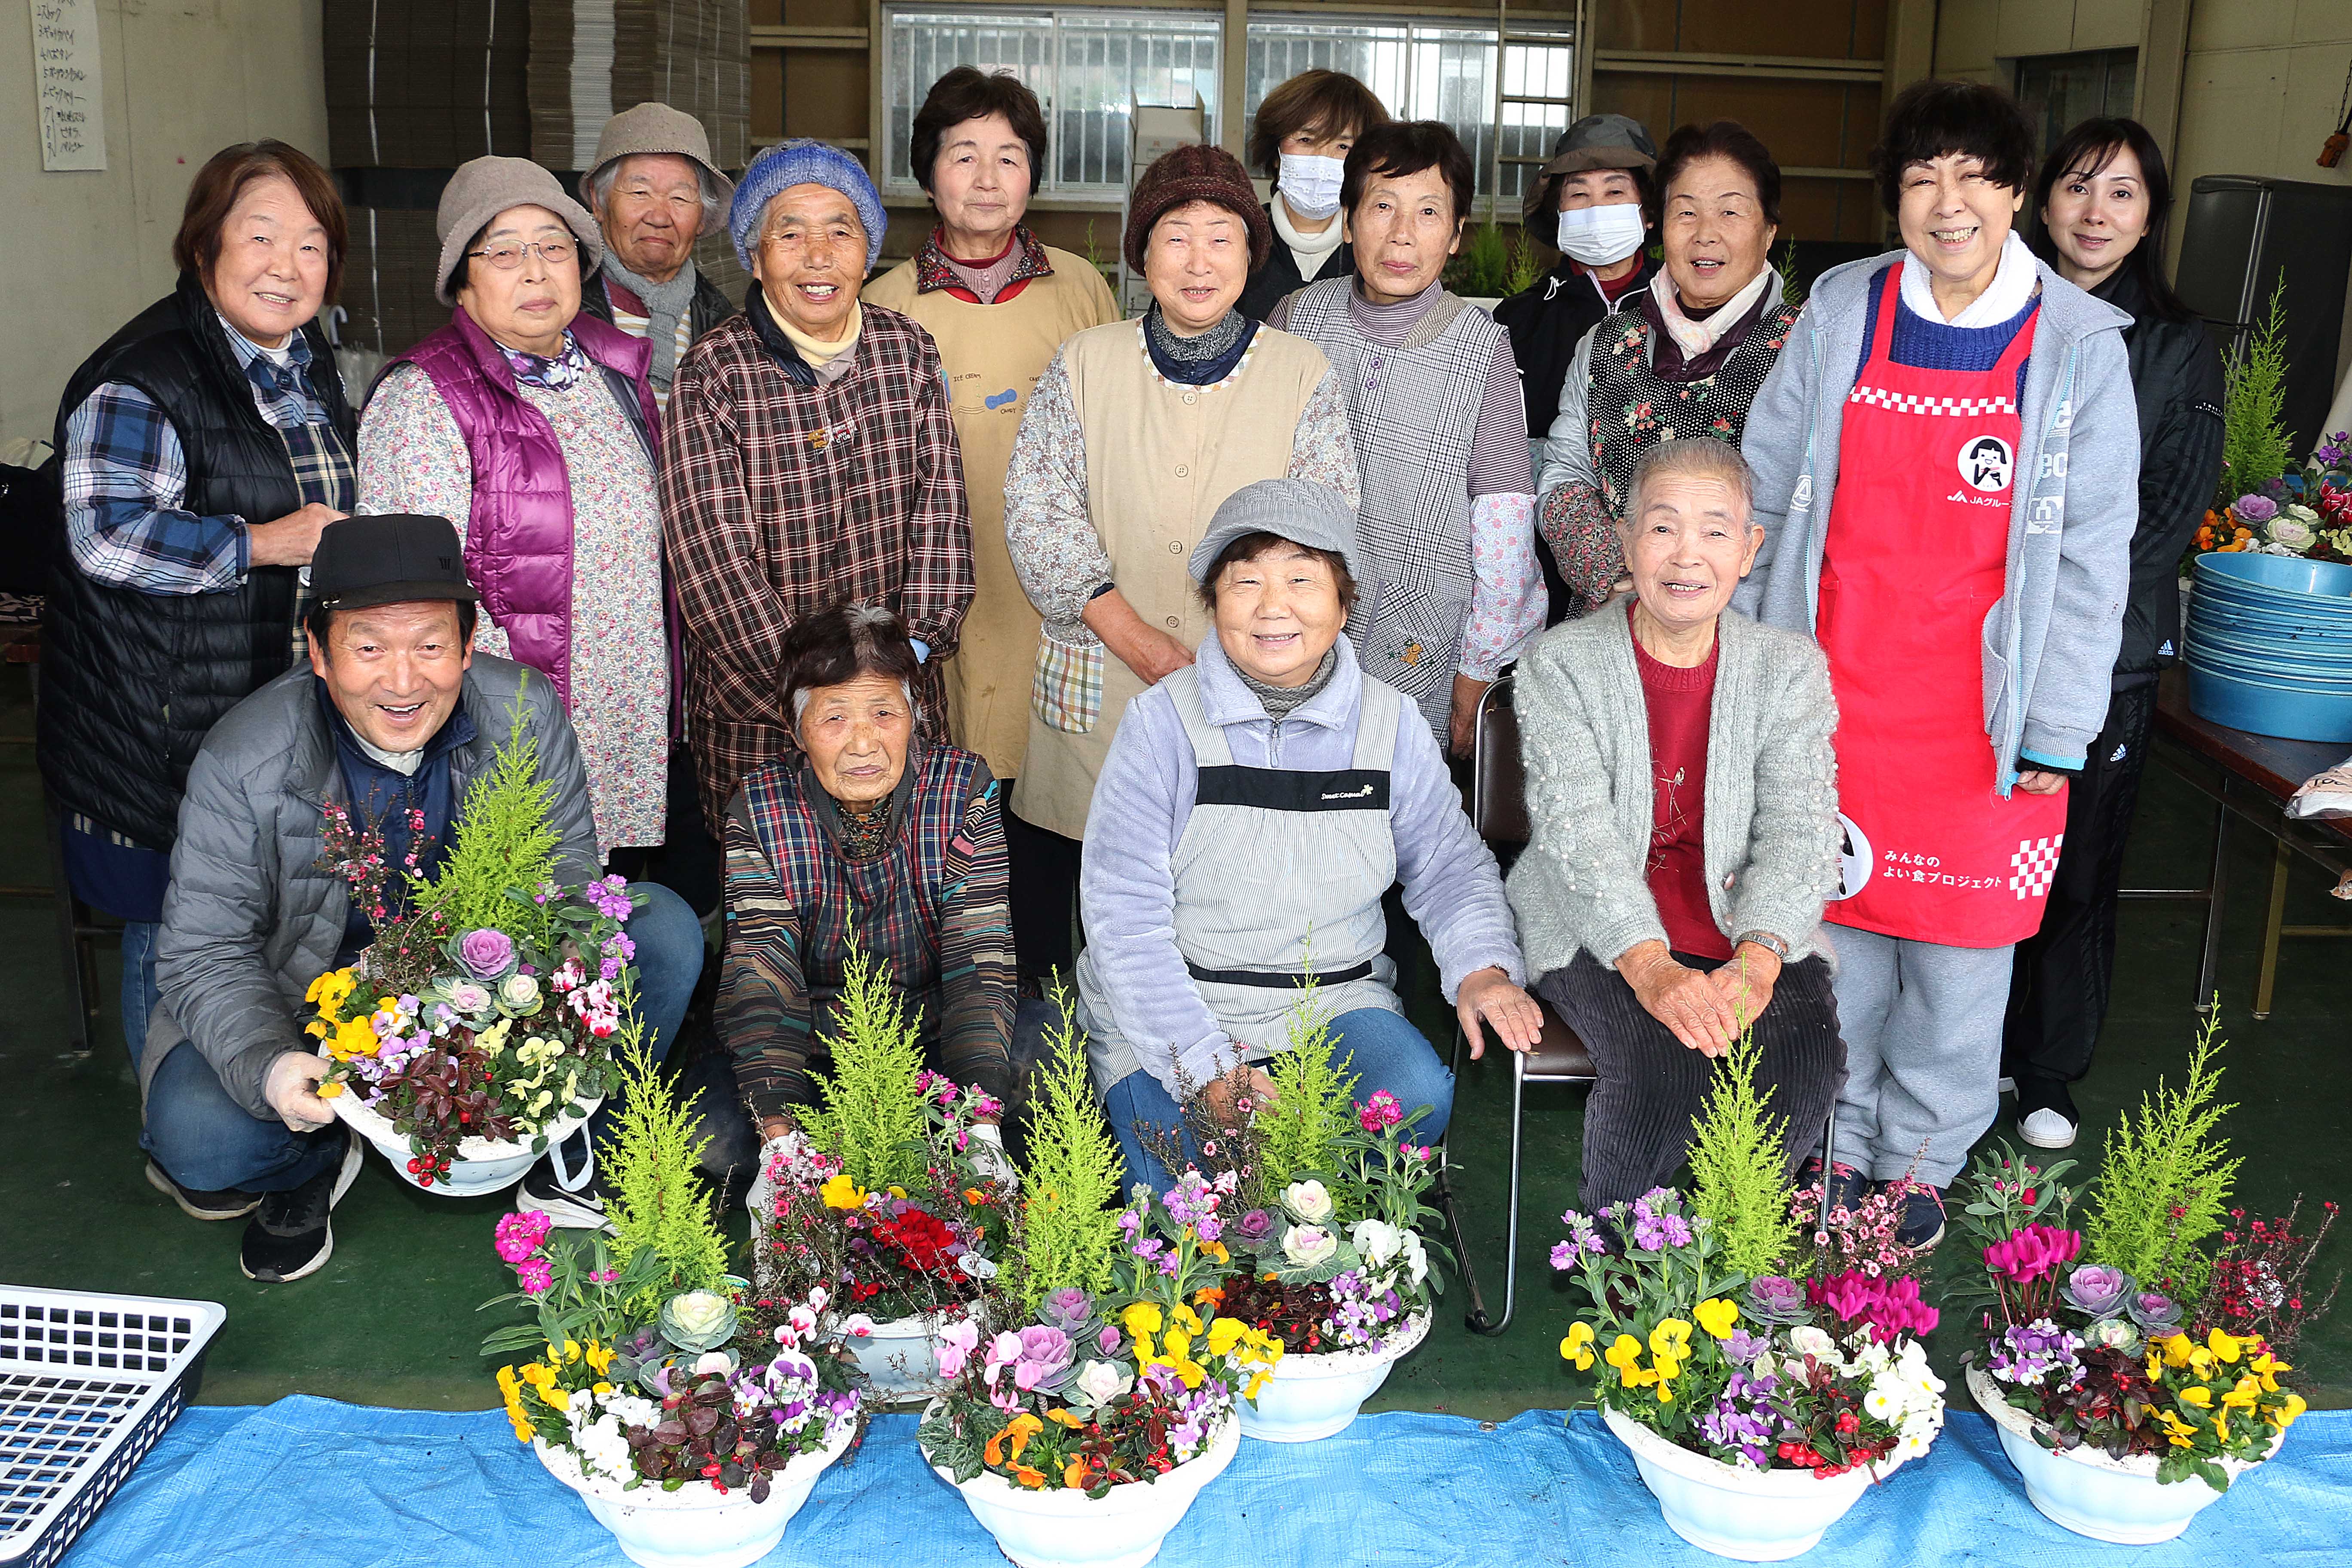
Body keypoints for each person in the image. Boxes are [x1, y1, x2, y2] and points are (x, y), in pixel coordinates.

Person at [1736, 80, 2138, 1246]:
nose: (1947, 203)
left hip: (1985, 725)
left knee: (1958, 975)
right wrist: (1752, 675)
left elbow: (2093, 555)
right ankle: (1833, 1149)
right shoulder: (1840, 311)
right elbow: (1766, 489)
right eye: (1920, 180)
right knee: (1833, 950)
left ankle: (1915, 1168)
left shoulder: (2075, 348)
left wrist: (2059, 729)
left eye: (1975, 176)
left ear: (2018, 194)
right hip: (1834, 696)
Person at [144, 515, 703, 1280]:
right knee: (199, 1137)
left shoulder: (523, 711)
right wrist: (273, 1063)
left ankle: (563, 1139)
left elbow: (568, 880)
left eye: (431, 645)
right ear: (318, 650)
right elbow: (204, 949)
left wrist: (538, 1023)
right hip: (307, 1008)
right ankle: (319, 1147)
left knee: (660, 926)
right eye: (369, 646)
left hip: (487, 993)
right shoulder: (245, 757)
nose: (403, 682)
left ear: (469, 647)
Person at [1080, 481, 1539, 1189]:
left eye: (1301, 579)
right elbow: (1122, 917)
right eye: (1246, 582)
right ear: (1212, 601)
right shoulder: (1159, 724)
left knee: (1412, 1094)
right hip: (1186, 1007)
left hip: (1331, 1003)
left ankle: (1327, 1241)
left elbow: (1450, 868)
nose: (1273, 606)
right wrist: (1206, 1069)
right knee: (1198, 1200)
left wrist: (1481, 967)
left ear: (1343, 603)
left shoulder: (1390, 725)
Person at [1000, 144, 1357, 983]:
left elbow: (1320, 533)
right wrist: (1139, 642)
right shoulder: (1085, 365)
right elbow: (1037, 509)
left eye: (1222, 237)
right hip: (1098, 685)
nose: (1199, 261)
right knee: (1085, 916)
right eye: (1176, 237)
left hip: (1244, 694)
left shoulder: (1302, 375)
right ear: (1142, 253)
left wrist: (1236, 661)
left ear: (1250, 253)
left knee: (1215, 913)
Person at [43, 140, 356, 1073]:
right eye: (260, 236)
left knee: (278, 910)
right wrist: (264, 543)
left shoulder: (306, 362)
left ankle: (275, 1090)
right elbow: (105, 534)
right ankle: (178, 1122)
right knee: (177, 924)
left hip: (278, 703)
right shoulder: (145, 376)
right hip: (163, 721)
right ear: (203, 245)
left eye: (310, 246)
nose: (286, 266)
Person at [1509, 440, 1844, 1210]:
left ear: (1750, 547)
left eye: (1715, 530)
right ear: (1624, 540)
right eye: (1661, 527)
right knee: (1660, 1063)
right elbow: (1578, 836)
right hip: (1595, 920)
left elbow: (1800, 829)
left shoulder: (1788, 666)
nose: (1687, 554)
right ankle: (1620, 1269)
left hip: (1741, 922)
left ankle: (1731, 1244)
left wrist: (1757, 962)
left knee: (1802, 1058)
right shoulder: (1560, 662)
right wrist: (1653, 970)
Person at [862, 67, 1121, 989]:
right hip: (939, 601)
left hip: (1056, 603)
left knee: (1049, 812)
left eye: (1008, 157)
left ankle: (1047, 1014)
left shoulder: (1084, 291)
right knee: (946, 804)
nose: (985, 176)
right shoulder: (884, 303)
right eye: (962, 154)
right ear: (927, 173)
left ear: (1033, 176)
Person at [2003, 118, 2226, 1150]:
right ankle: (1975, 1055)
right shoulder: (1995, 315)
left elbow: (2162, 515)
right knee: (1974, 853)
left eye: (2122, 194)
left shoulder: (2176, 346)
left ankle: (2047, 1071)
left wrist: (2051, 608)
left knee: (2074, 868)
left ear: (2147, 219)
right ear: (2040, 200)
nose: (2095, 212)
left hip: (2104, 651)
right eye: (2078, 187)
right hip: (1979, 641)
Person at [357, 156, 670, 865]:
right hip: (508, 732)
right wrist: (514, 721)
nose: (535, 270)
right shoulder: (425, 397)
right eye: (503, 251)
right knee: (516, 941)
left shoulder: (611, 370)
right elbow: (414, 600)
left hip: (625, 722)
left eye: (553, 246)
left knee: (605, 929)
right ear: (461, 282)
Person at [662, 140, 974, 839]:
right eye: (790, 232)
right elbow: (712, 561)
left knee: (906, 903)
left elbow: (943, 519)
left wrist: (908, 660)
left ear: (868, 251)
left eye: (841, 230)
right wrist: (813, 694)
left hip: (899, 701)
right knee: (775, 920)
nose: (817, 255)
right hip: (765, 711)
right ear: (754, 254)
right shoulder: (714, 373)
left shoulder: (909, 352)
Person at [1269, 120, 1545, 754]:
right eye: (1382, 206)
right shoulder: (1296, 317)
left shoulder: (1483, 349)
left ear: (1454, 237)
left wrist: (1477, 675)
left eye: (1428, 213)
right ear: (1347, 221)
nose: (1401, 234)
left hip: (1421, 631)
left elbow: (1504, 534)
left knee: (1391, 807)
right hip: (1294, 620)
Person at [719, 603, 1019, 1153]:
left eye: (884, 714)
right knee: (718, 1139)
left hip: (932, 1034)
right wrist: (779, 1136)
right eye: (834, 718)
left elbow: (979, 958)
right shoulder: (758, 809)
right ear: (796, 729)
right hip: (815, 1044)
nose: (864, 744)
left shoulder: (962, 788)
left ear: (914, 716)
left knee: (1036, 1070)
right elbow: (764, 976)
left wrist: (980, 1125)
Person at [1538, 121, 1801, 619]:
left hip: (1748, 634)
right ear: (1661, 224)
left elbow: (1806, 510)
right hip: (1610, 627)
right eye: (1686, 212)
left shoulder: (1805, 349)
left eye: (1730, 211)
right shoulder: (1606, 342)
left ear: (1768, 231)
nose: (1706, 233)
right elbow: (1563, 477)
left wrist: (1693, 598)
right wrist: (1622, 579)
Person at [1494, 115, 1660, 469]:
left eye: (1615, 192)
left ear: (1648, 213)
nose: (1596, 208)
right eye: (1579, 194)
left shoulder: (1685, 307)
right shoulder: (1518, 321)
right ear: (1558, 216)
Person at [574, 101, 741, 413]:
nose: (659, 216)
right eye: (640, 193)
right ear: (599, 202)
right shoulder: (559, 313)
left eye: (680, 198)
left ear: (702, 218)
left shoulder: (726, 329)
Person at [1235, 68, 1390, 323]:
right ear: (1276, 153)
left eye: (1343, 146)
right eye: (1306, 140)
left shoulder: (1379, 251)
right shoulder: (1236, 239)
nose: (1322, 160)